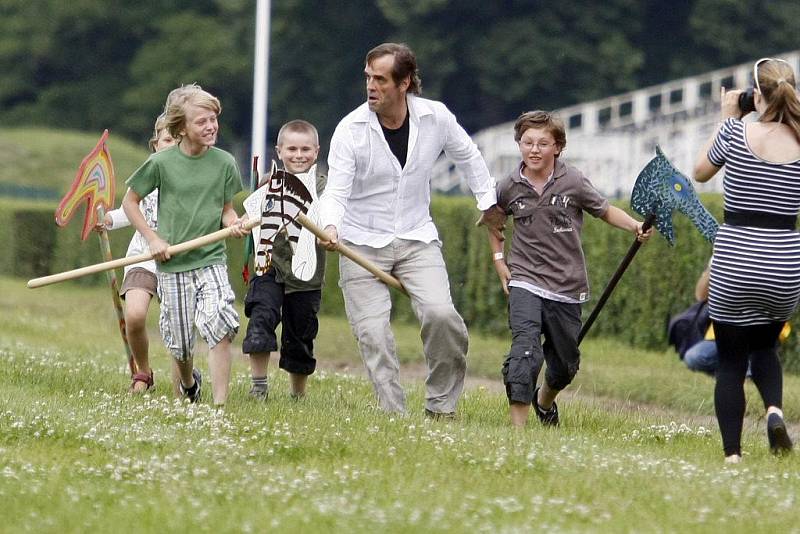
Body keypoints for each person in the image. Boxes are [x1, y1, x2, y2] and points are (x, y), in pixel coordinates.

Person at [317, 42, 505, 416]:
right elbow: (336, 191)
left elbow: (467, 155)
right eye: (368, 77)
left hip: (417, 237)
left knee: (441, 316)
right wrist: (330, 226)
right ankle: (394, 416)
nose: (371, 86)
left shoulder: (436, 118)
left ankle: (441, 407)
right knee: (373, 335)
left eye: (381, 79)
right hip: (358, 240)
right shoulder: (350, 130)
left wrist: (488, 201)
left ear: (404, 83)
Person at [482, 110, 652, 428]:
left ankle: (544, 402)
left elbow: (603, 210)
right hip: (525, 281)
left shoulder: (572, 180)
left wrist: (635, 226)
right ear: (519, 144)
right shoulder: (508, 186)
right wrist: (499, 261)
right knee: (525, 349)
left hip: (567, 286)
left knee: (564, 365)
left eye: (543, 143)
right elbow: (494, 221)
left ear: (557, 147)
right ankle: (516, 433)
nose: (534, 150)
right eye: (527, 142)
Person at [693, 57, 800, 462]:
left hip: (736, 259)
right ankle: (774, 411)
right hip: (785, 263)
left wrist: (725, 118)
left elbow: (700, 172)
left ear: (756, 94)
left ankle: (733, 457)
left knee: (731, 360)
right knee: (766, 347)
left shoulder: (736, 133)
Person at [122, 83, 248, 407]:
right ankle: (190, 382)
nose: (211, 127)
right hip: (173, 265)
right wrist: (153, 239)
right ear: (181, 128)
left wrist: (233, 224)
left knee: (221, 323)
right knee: (180, 345)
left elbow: (226, 209)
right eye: (201, 122)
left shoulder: (224, 163)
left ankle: (220, 404)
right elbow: (130, 202)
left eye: (213, 119)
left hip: (210, 260)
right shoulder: (162, 163)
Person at [243, 120, 326, 400]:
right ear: (279, 151)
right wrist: (241, 224)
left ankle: (297, 396)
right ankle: (259, 389)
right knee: (261, 318)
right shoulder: (267, 184)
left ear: (316, 151)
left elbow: (332, 220)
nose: (298, 155)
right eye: (291, 149)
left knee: (300, 335)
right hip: (268, 267)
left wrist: (330, 232)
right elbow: (250, 216)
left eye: (305, 149)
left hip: (306, 274)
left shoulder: (324, 189)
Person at [96, 114, 176, 393]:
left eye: (179, 140)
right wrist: (107, 220)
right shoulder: (147, 175)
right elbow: (130, 210)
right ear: (155, 144)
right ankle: (143, 372)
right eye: (167, 139)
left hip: (180, 262)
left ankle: (185, 379)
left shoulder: (194, 180)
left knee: (177, 327)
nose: (172, 145)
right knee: (135, 315)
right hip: (143, 258)